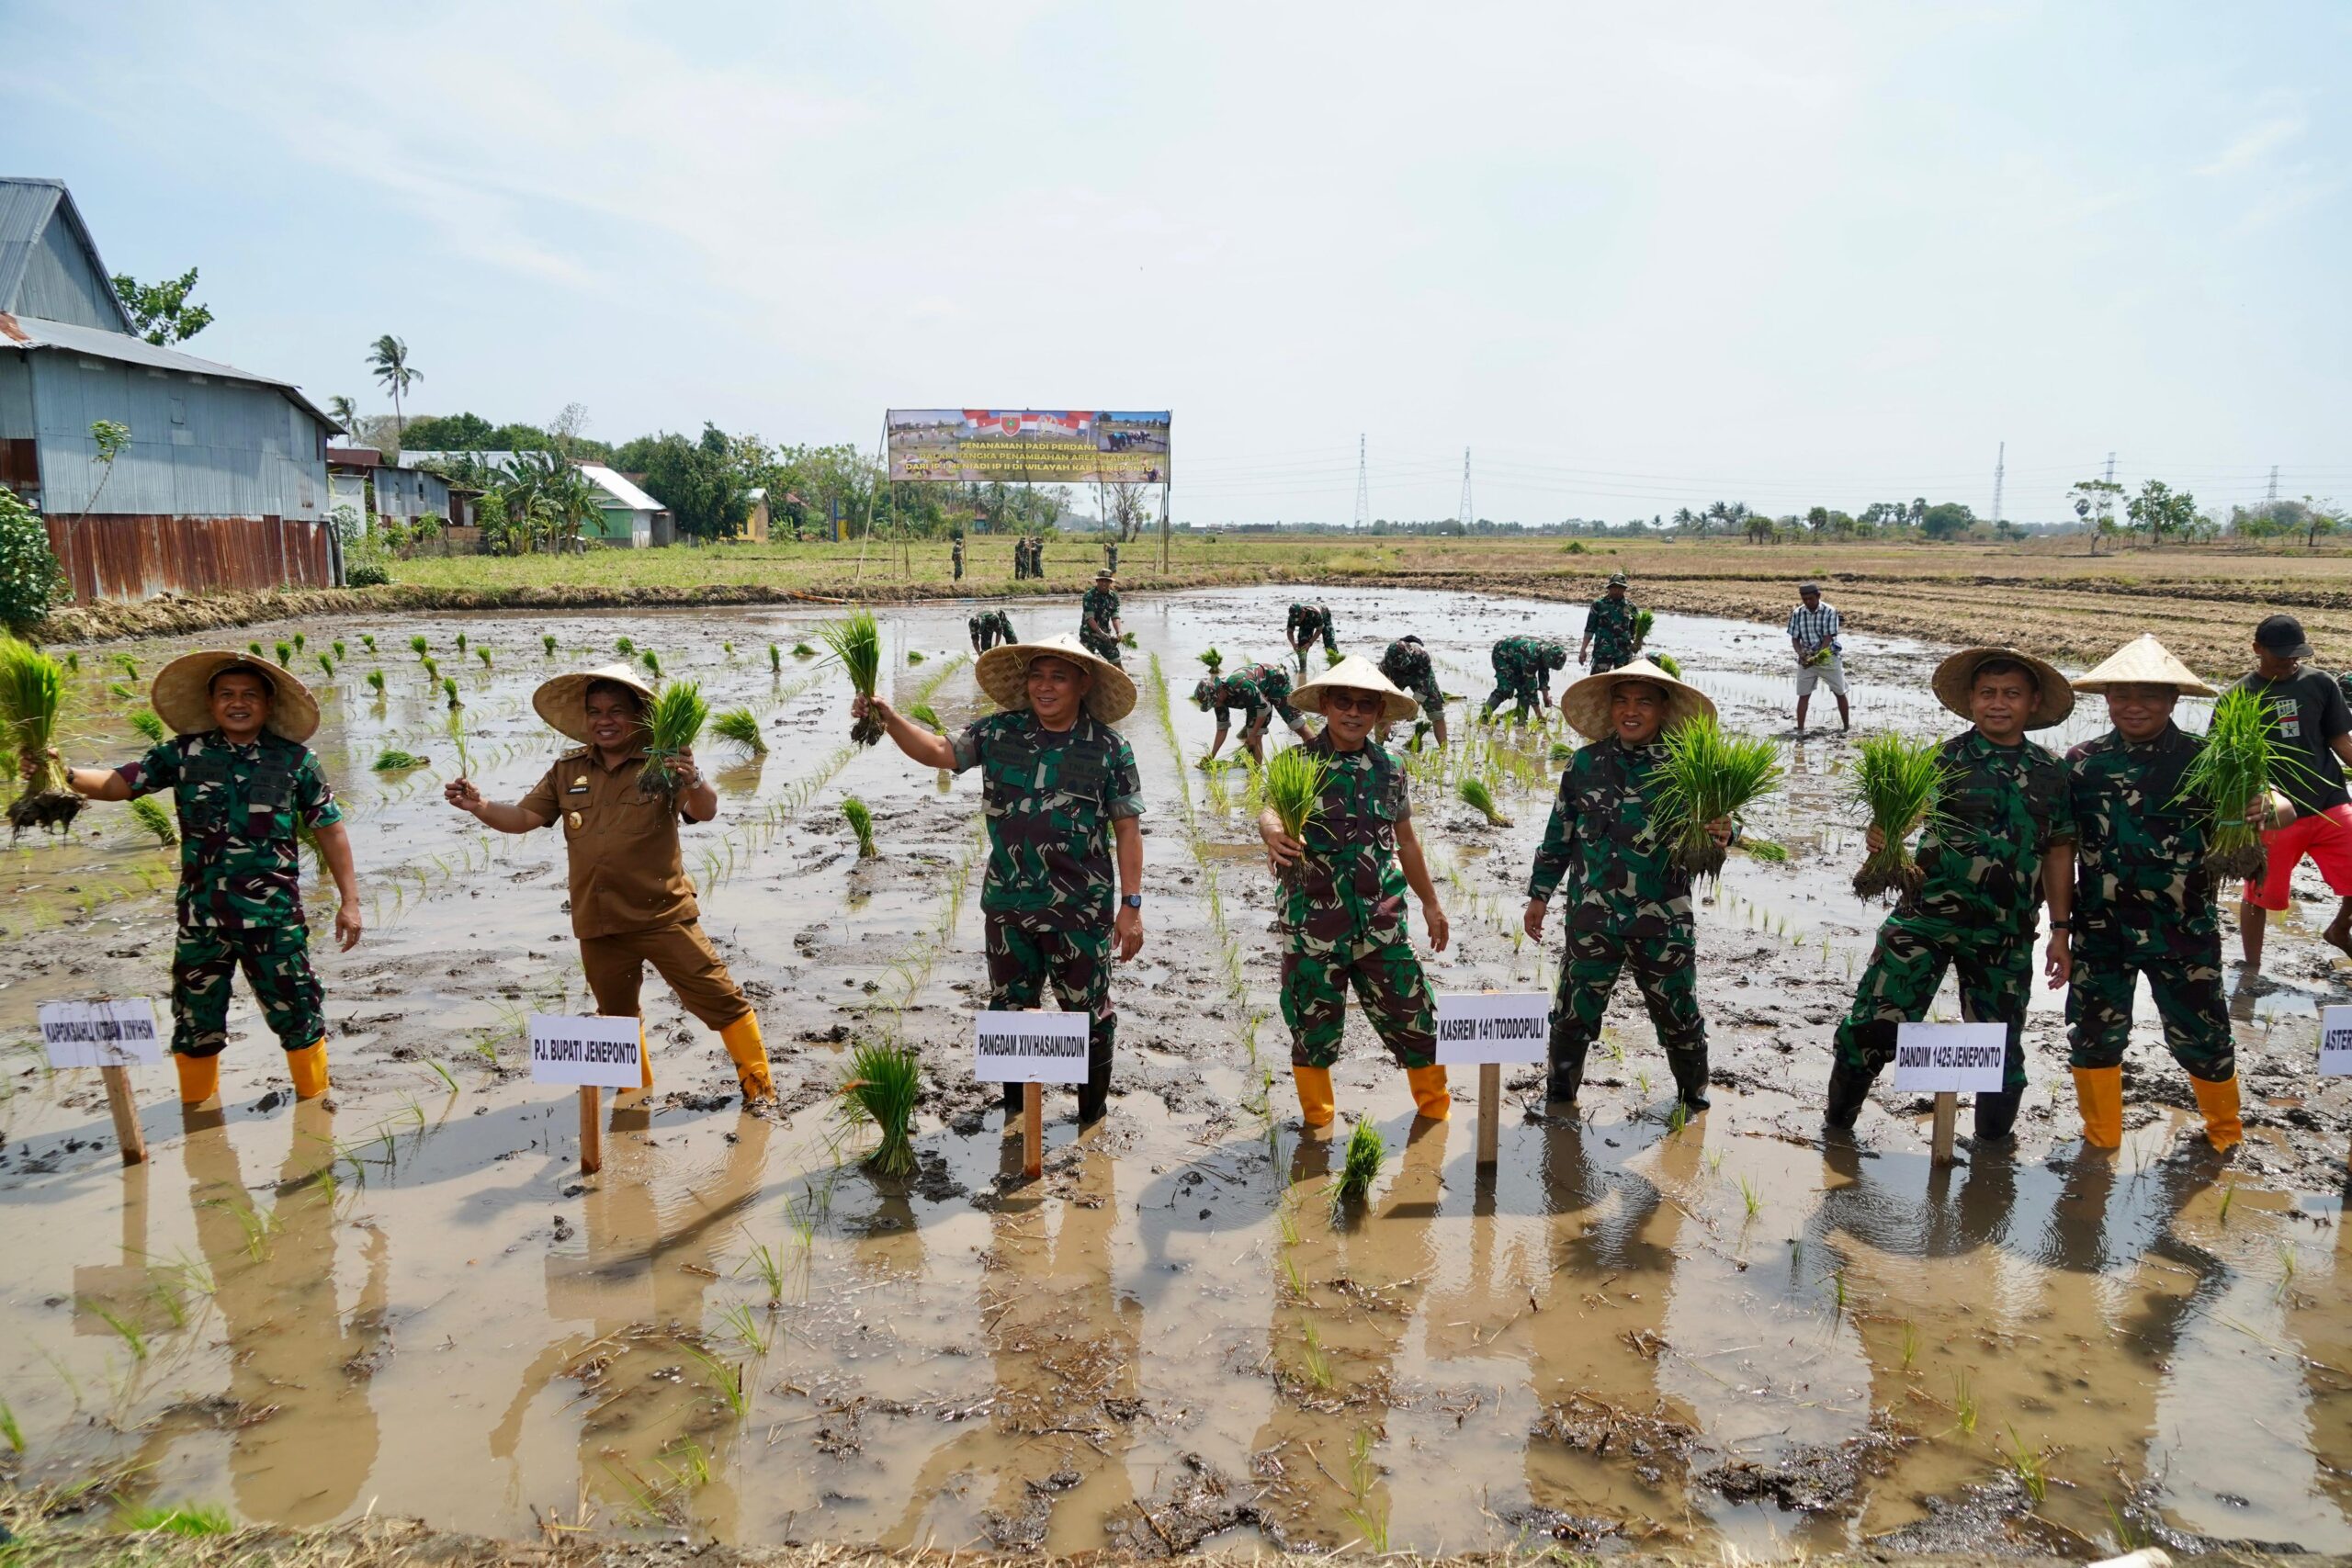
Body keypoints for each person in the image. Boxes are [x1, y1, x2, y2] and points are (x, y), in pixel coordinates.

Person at [444, 665, 775, 1101]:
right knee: (617, 1018)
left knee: (720, 999)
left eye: (617, 710)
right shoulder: (568, 770)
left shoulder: (663, 762)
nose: (605, 720)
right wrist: (480, 805)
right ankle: (634, 1097)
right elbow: (524, 818)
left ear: (639, 717)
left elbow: (706, 810)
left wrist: (694, 778)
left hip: (662, 914)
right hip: (599, 921)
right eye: (596, 711)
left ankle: (760, 1090)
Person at [45, 652, 361, 1105]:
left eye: (250, 695)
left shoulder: (296, 762)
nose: (238, 703)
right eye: (227, 695)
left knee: (299, 1013)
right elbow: (118, 784)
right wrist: (64, 773)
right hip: (201, 921)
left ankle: (314, 1107)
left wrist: (350, 901)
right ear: (211, 703)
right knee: (195, 1022)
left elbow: (329, 829)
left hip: (273, 922)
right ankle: (197, 1113)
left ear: (268, 705)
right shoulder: (181, 754)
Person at [857, 634, 1144, 1123]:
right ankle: (1017, 1115)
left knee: (1089, 1014)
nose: (1045, 687)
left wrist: (1131, 906)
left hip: (1079, 910)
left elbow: (1126, 829)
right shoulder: (999, 732)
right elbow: (938, 753)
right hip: (1009, 904)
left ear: (1083, 685)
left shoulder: (1109, 748)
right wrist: (887, 716)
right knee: (1011, 1008)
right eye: (1037, 675)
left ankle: (1090, 1120)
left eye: (1058, 677)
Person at [1828, 648, 2077, 1142]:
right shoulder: (1942, 760)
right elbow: (1901, 818)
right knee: (1874, 1025)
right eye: (1988, 693)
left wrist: (2060, 932)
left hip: (2004, 933)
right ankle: (1836, 1130)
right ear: (1970, 700)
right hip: (1924, 919)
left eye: (2011, 694)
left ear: (2031, 703)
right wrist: (1883, 835)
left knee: (1999, 1049)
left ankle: (1990, 1149)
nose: (1998, 704)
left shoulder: (2053, 773)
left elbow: (2058, 854)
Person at [2065, 635, 2270, 1153]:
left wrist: (2266, 805)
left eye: (2150, 696)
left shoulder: (2206, 760)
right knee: (2093, 1037)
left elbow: (2274, 805)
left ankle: (2225, 1134)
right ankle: (2101, 1141)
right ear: (2106, 698)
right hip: (2100, 930)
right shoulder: (2083, 763)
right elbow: (2058, 845)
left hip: (2183, 930)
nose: (2134, 706)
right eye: (2122, 695)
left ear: (2174, 700)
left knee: (2203, 1037)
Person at [1523, 657, 1731, 1114]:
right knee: (1574, 1013)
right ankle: (1559, 1098)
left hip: (1663, 920)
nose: (1631, 711)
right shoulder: (1584, 764)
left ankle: (1693, 1099)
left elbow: (1720, 836)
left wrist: (1724, 832)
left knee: (1678, 1014)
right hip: (1591, 918)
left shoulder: (1688, 767)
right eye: (1622, 701)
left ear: (1663, 709)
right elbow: (1559, 835)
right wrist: (1539, 894)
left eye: (1643, 702)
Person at [1256, 656, 1453, 1128]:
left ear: (1380, 712)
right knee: (1312, 1032)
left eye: (1366, 704)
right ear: (1325, 704)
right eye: (1343, 701)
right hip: (1312, 930)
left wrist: (1430, 902)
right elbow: (1270, 812)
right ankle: (1317, 1129)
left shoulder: (1391, 768)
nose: (1353, 712)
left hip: (1381, 925)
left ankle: (1434, 1118)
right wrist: (1270, 831)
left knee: (1418, 1021)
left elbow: (1405, 840)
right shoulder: (1296, 763)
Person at [2233, 614, 2352, 972]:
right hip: (2274, 812)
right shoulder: (2239, 697)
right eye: (2281, 653)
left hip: (2329, 801)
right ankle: (2252, 967)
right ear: (2258, 649)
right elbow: (2231, 767)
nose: (2290, 660)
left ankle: (2340, 928)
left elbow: (2340, 741)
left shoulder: (2320, 684)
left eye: (2295, 653)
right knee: (2259, 893)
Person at [1193, 660, 1307, 764]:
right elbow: (1222, 728)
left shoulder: (1240, 685)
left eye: (1214, 702)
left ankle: (1318, 748)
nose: (1215, 705)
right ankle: (1255, 774)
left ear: (1218, 693)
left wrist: (1251, 735)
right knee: (1255, 736)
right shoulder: (1218, 701)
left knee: (1295, 722)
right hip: (1256, 697)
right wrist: (1212, 755)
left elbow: (1264, 707)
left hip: (1275, 680)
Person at [1788, 581, 1850, 735]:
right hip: (1807, 658)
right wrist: (1801, 655)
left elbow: (1828, 638)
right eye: (1804, 599)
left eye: (1810, 599)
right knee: (1803, 695)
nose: (1808, 602)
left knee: (1839, 692)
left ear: (1818, 596)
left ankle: (1846, 727)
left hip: (1828, 656)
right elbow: (1795, 639)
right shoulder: (1798, 613)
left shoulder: (1830, 612)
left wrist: (1817, 658)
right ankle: (1800, 728)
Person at [1481, 634, 1569, 723]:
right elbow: (1531, 687)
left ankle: (1522, 721)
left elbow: (1544, 672)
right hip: (1502, 655)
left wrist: (1546, 696)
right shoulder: (1532, 656)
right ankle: (1483, 718)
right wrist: (1539, 715)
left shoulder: (1550, 651)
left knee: (1524, 692)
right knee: (1505, 689)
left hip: (1519, 659)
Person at [1378, 635, 1447, 747]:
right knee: (1382, 708)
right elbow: (1387, 694)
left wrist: (1413, 708)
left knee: (1437, 712)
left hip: (1420, 677)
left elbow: (1424, 687)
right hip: (1397, 680)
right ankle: (1378, 746)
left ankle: (1444, 750)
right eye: (1398, 666)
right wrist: (1388, 721)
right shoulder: (1385, 666)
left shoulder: (1422, 657)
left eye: (1402, 666)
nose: (1401, 668)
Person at [1579, 573, 1638, 673]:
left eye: (1621, 588)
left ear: (1624, 589)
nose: (1617, 590)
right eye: (1615, 587)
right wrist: (1583, 649)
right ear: (1609, 588)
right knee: (1597, 682)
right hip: (1603, 651)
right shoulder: (1598, 605)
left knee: (1624, 682)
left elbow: (1635, 630)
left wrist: (1637, 644)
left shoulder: (1630, 607)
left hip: (1623, 653)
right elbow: (1590, 629)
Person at [1080, 568, 1124, 665]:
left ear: (1110, 582)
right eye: (1102, 580)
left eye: (1107, 581)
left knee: (1115, 658)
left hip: (1105, 635)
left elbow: (1115, 616)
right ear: (1097, 581)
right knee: (1084, 663)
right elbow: (1090, 618)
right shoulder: (1089, 596)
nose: (1104, 583)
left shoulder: (1114, 597)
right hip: (1089, 635)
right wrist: (1100, 633)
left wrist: (1118, 632)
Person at [1286, 601, 1339, 671]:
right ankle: (1303, 669)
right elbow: (1289, 632)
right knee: (1302, 644)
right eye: (1295, 619)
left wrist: (1310, 643)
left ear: (1303, 612)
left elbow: (1319, 630)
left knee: (1329, 641)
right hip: (1307, 622)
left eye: (1299, 618)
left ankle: (1335, 665)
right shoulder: (1292, 617)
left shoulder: (1316, 614)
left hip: (1324, 614)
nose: (1297, 621)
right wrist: (1293, 644)